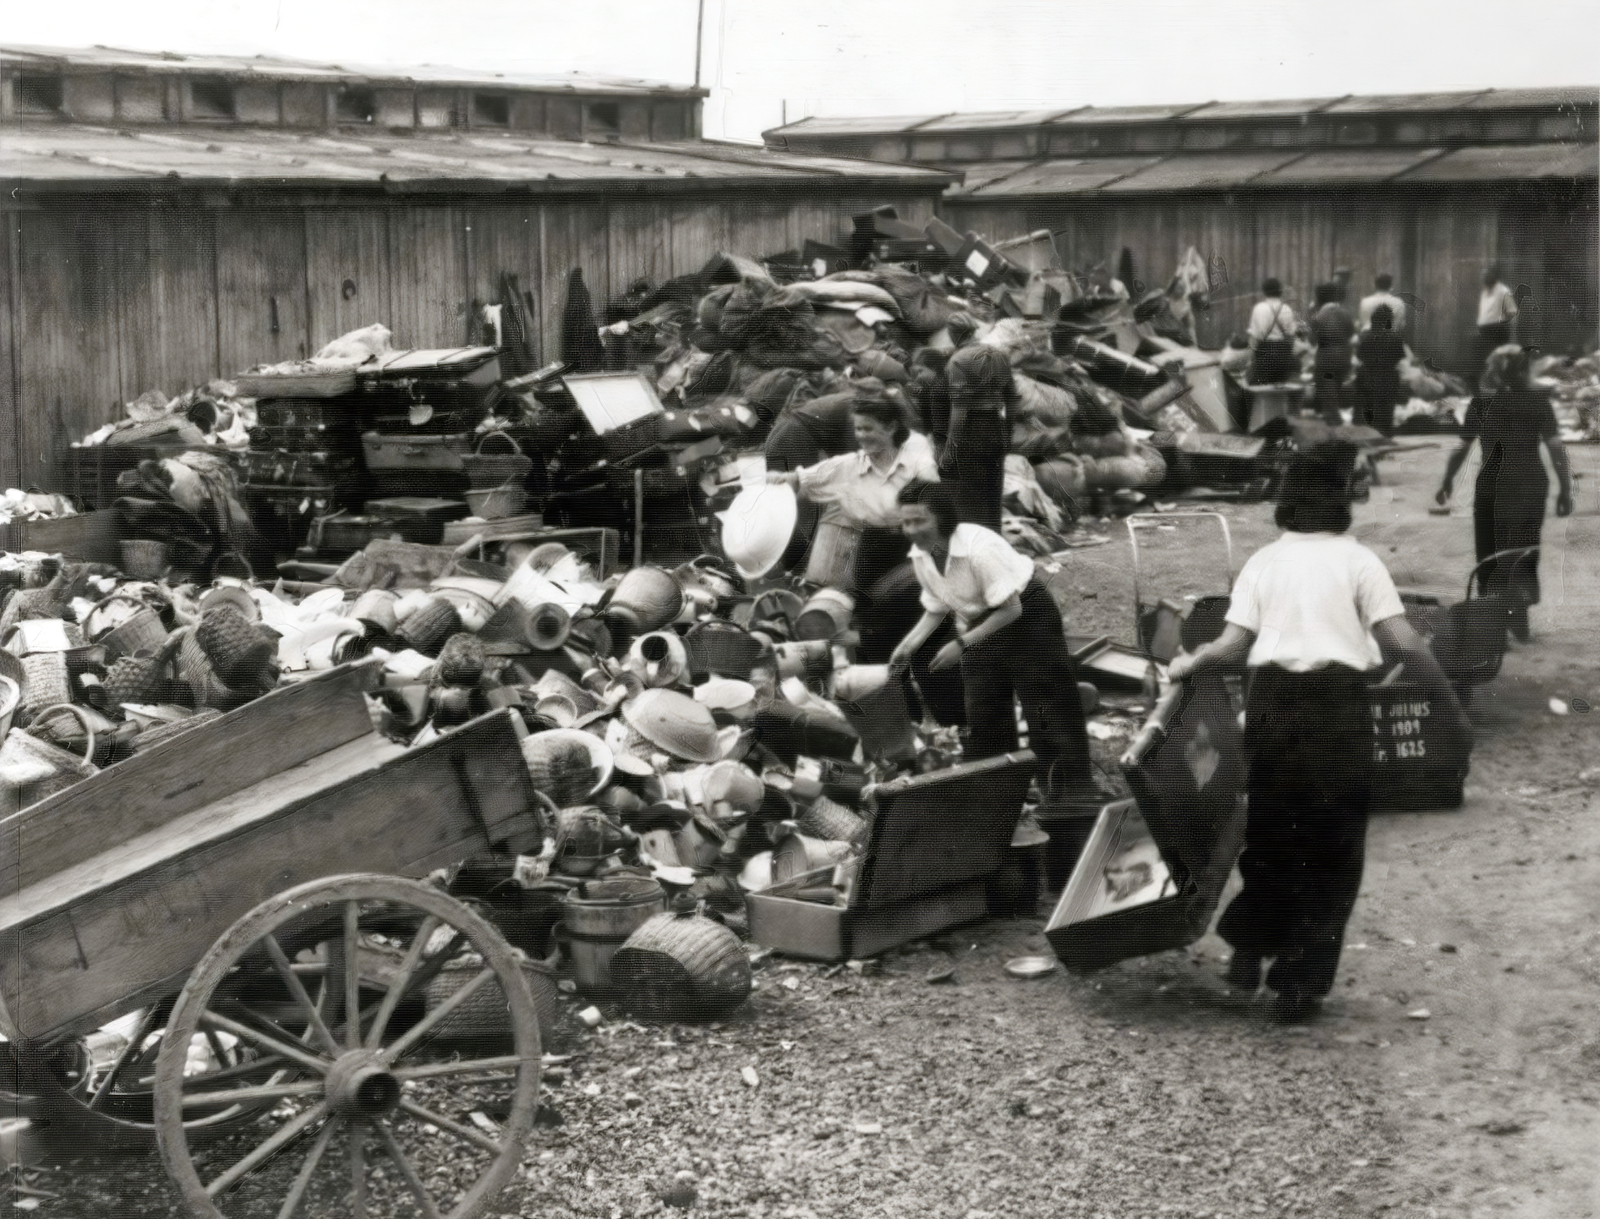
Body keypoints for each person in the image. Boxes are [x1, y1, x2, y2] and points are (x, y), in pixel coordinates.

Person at [1167, 443, 1472, 1023]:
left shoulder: (1264, 561)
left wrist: (1189, 662)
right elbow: (1404, 644)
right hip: (1335, 708)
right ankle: (1298, 986)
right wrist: (1449, 704)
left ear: (1285, 502)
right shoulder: (1358, 561)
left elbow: (1231, 646)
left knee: (1273, 832)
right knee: (1331, 845)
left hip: (1273, 705)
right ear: (1340, 501)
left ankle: (1251, 949)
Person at [890, 480, 1104, 807]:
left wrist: (961, 644)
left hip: (1028, 615)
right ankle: (1000, 790)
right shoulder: (921, 555)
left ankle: (1072, 793)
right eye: (905, 522)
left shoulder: (979, 549)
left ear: (942, 518)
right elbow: (936, 606)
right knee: (983, 708)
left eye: (918, 521)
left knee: (1046, 708)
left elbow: (1011, 609)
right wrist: (907, 647)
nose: (910, 530)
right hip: (983, 620)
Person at [1436, 345, 1574, 642]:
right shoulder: (1538, 402)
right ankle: (1519, 616)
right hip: (1530, 484)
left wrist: (1446, 480)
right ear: (1524, 371)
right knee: (1524, 548)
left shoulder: (1481, 404)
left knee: (1490, 551)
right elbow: (1556, 449)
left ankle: (1492, 623)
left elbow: (1461, 448)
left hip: (1493, 486)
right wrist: (1565, 489)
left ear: (1495, 372)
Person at [767, 393, 937, 593]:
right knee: (869, 600)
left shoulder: (915, 457)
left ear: (891, 427)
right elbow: (800, 480)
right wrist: (775, 479)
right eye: (858, 429)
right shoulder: (848, 466)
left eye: (868, 428)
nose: (861, 435)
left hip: (913, 545)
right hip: (871, 550)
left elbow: (935, 493)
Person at [940, 323, 1015, 531]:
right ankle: (995, 540)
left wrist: (950, 448)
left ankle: (977, 543)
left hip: (971, 430)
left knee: (971, 497)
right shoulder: (1000, 355)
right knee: (993, 494)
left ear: (953, 333)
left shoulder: (958, 360)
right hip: (995, 425)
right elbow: (1011, 398)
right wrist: (1008, 432)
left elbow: (959, 408)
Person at [1354, 304, 1406, 435]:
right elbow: (1399, 357)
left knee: (1366, 411)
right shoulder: (1395, 338)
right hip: (1388, 378)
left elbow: (1360, 356)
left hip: (1367, 377)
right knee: (1386, 412)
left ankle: (1366, 436)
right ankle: (1384, 436)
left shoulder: (1366, 337)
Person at [1311, 283, 1357, 425]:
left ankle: (1333, 418)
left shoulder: (1319, 315)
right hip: (1344, 354)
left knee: (1327, 386)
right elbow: (1351, 333)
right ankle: (1331, 414)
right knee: (1335, 385)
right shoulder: (1345, 313)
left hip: (1326, 355)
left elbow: (1313, 340)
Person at [1248, 278, 1299, 385]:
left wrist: (1252, 360)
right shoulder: (1286, 309)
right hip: (1283, 354)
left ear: (1264, 291)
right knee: (1283, 387)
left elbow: (1254, 338)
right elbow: (1291, 336)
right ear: (1280, 291)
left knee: (1259, 387)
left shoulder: (1259, 308)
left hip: (1265, 354)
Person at [1475, 265, 1518, 379]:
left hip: (1498, 330)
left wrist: (1508, 331)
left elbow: (1512, 311)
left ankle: (1500, 383)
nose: (1483, 278)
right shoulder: (1484, 292)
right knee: (1485, 360)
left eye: (1486, 275)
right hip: (1485, 331)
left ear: (1493, 276)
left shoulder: (1503, 291)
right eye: (1482, 276)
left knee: (1498, 360)